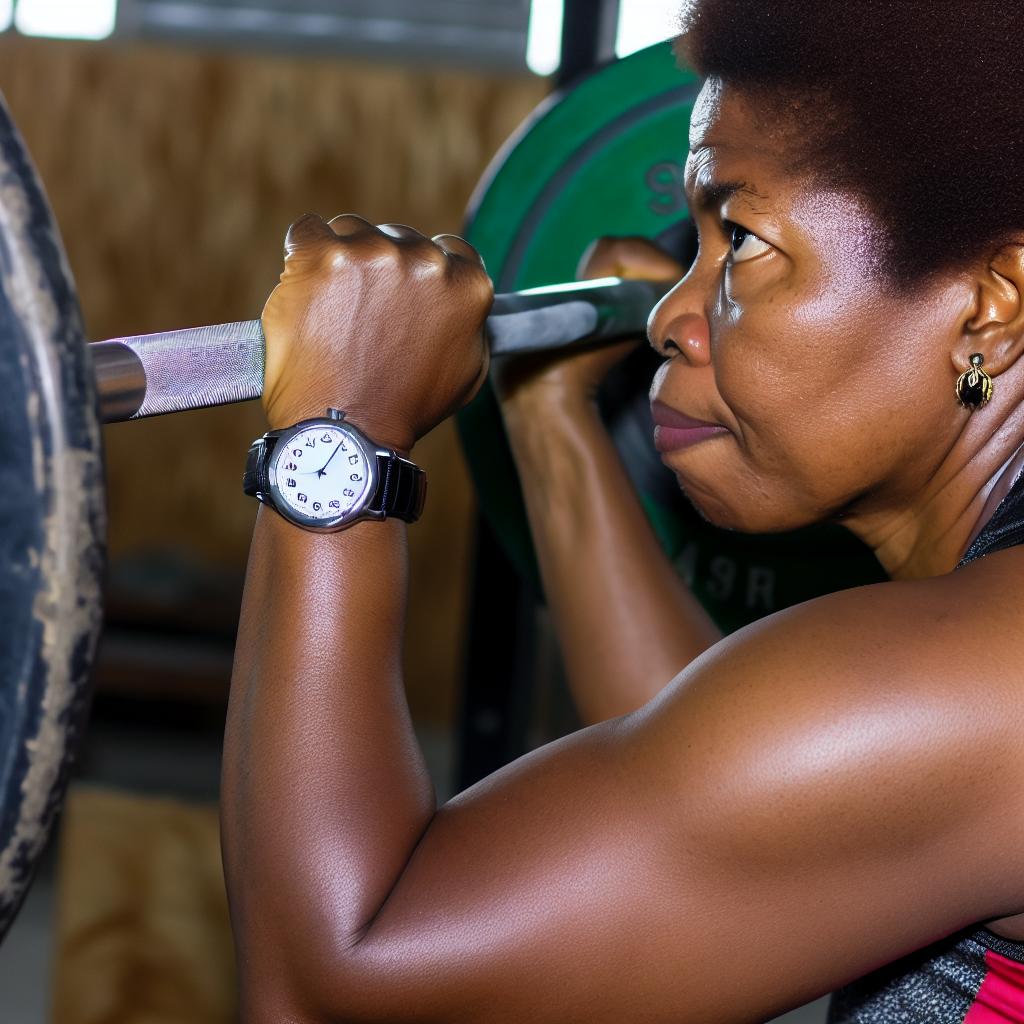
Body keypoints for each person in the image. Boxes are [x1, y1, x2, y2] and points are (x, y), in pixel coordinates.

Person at [220, 2, 1024, 1021]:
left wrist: (341, 436)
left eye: (738, 240)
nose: (666, 316)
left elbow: (330, 990)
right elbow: (722, 779)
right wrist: (549, 410)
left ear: (991, 304)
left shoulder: (993, 678)